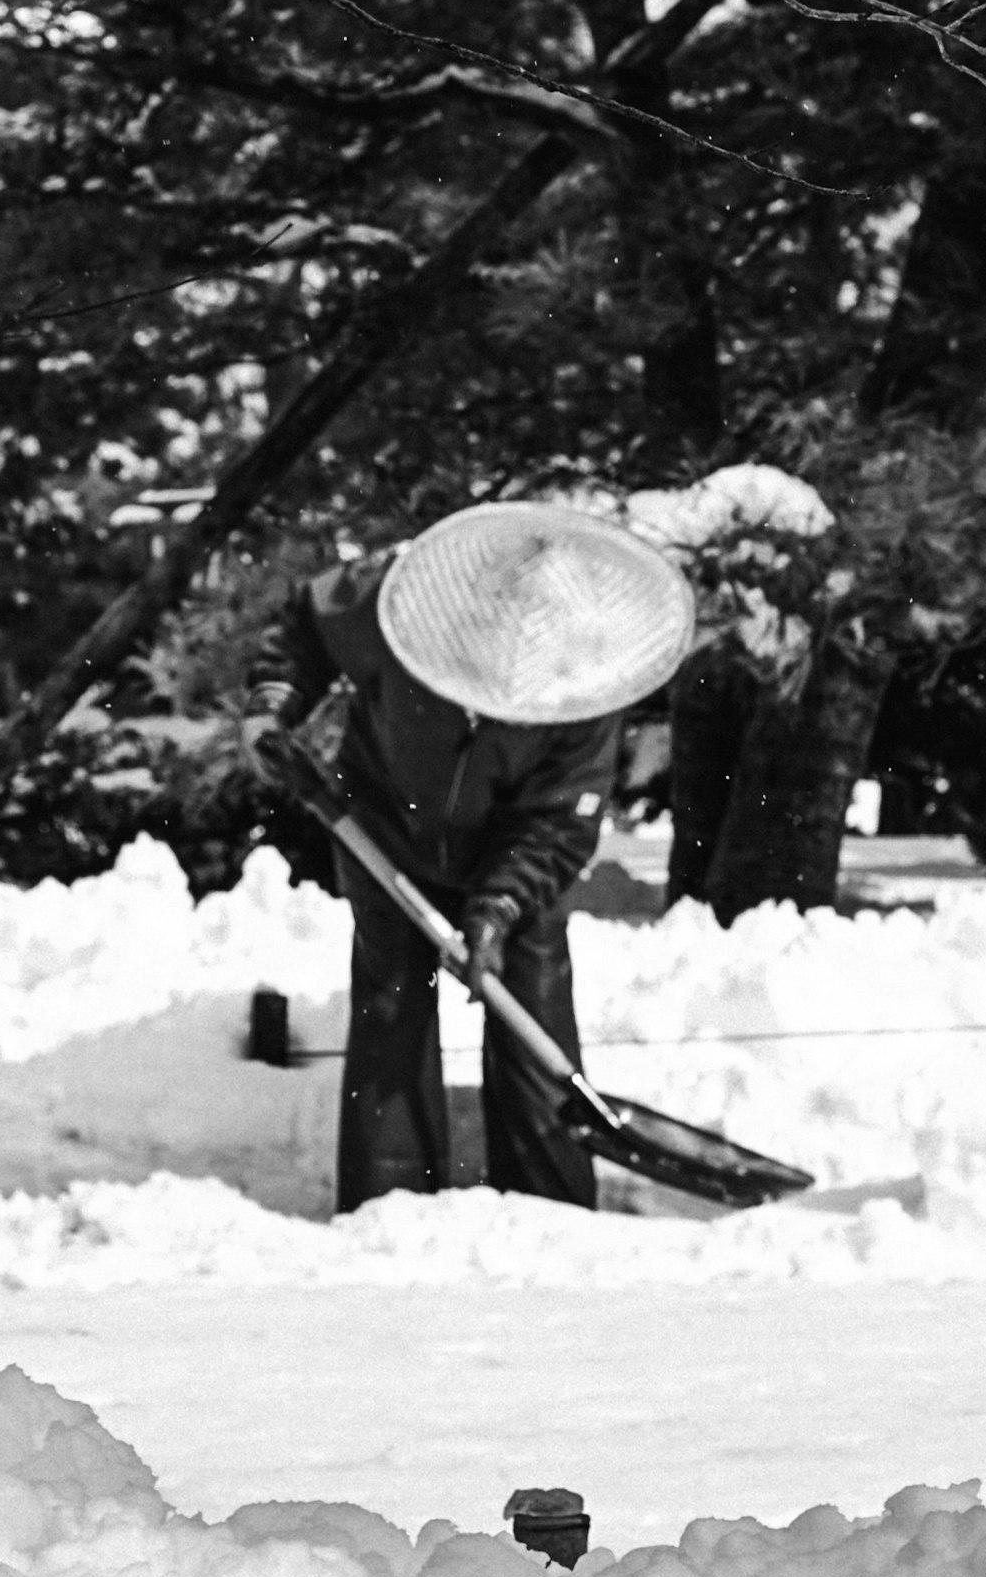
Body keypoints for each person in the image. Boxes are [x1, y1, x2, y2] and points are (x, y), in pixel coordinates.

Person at [241, 503, 696, 1213]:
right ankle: (390, 1206)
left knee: (533, 1008)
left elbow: (558, 824)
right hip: (385, 822)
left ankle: (550, 1207)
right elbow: (306, 624)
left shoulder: (589, 683)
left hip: (516, 850)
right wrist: (272, 704)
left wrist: (498, 909)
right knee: (392, 1004)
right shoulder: (399, 593)